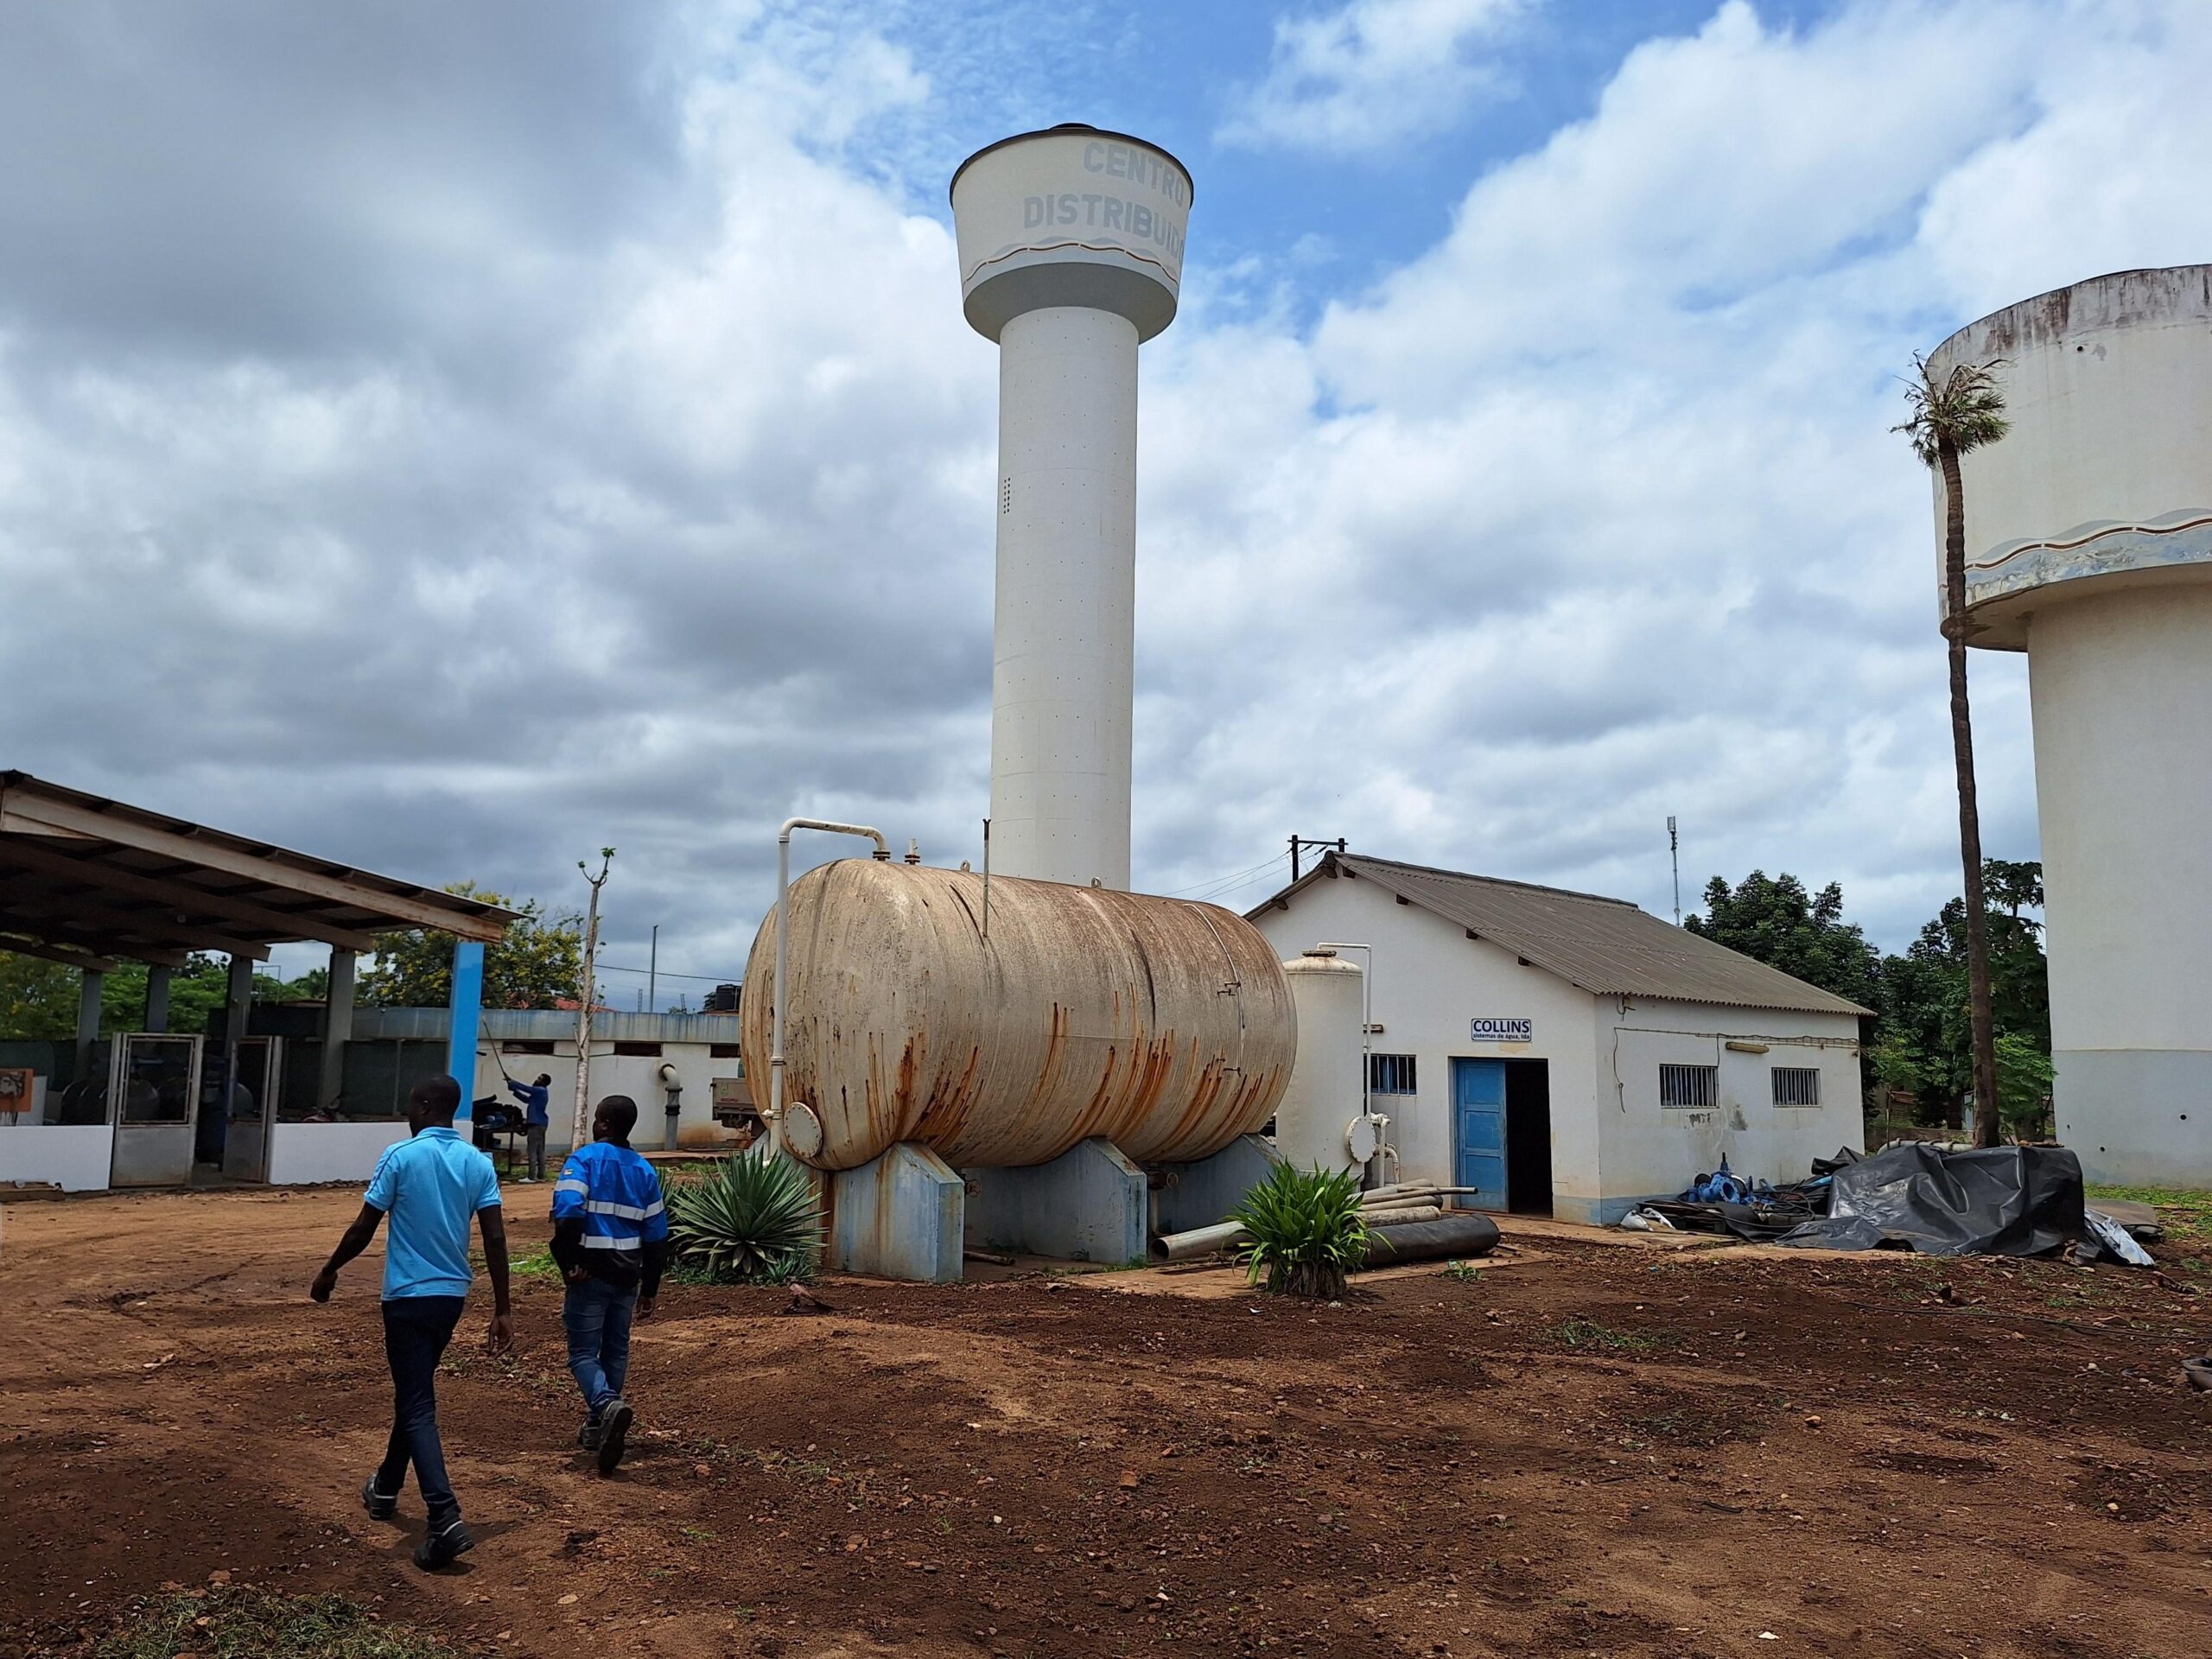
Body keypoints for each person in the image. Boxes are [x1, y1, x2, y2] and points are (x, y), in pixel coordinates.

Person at [310, 1074, 512, 1569]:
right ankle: (385, 1487)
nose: (407, 1114)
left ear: (423, 1106)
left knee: (417, 1403)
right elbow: (494, 1238)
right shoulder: (478, 1162)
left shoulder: (400, 1156)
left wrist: (330, 1270)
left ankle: (444, 1517)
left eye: (409, 1106)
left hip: (406, 1298)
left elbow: (364, 1226)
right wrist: (502, 1308)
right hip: (450, 1299)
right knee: (415, 1390)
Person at [550, 1094, 669, 1474]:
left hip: (589, 1275)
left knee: (583, 1354)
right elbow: (657, 1238)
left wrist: (569, 1264)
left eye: (596, 1118)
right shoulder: (644, 1171)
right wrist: (649, 1289)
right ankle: (598, 1426)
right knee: (615, 1351)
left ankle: (605, 1405)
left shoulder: (583, 1160)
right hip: (627, 1276)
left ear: (602, 1123)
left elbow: (568, 1213)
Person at [506, 1071, 553, 1182]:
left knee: (532, 1150)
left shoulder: (539, 1090)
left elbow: (525, 1088)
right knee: (540, 1151)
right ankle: (541, 1176)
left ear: (544, 1082)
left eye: (539, 1078)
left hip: (535, 1124)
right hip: (541, 1124)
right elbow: (526, 1100)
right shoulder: (540, 1093)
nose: (536, 1080)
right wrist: (514, 1090)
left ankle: (532, 1177)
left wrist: (512, 1082)